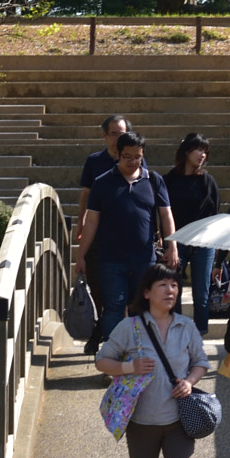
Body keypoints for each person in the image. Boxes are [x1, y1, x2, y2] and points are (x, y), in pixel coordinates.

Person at [96, 263, 209, 458]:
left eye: (174, 285)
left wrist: (189, 381)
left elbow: (201, 362)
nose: (171, 290)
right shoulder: (129, 327)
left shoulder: (186, 326)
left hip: (178, 421)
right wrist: (128, 366)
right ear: (146, 292)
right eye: (163, 285)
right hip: (142, 423)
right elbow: (102, 360)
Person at [77, 132, 177, 344]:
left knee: (142, 308)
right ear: (118, 155)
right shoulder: (102, 183)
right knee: (113, 307)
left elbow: (166, 214)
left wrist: (172, 246)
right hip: (111, 258)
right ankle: (114, 359)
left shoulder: (153, 180)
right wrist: (81, 255)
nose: (132, 161)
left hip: (144, 257)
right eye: (127, 156)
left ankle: (141, 356)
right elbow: (92, 221)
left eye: (137, 157)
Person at [77, 115, 131, 348]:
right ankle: (99, 326)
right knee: (97, 286)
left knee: (123, 292)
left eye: (123, 133)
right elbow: (86, 195)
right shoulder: (94, 161)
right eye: (114, 133)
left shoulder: (134, 159)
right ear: (105, 136)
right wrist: (80, 223)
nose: (119, 137)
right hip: (97, 232)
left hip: (123, 234)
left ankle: (113, 338)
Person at [165, 133, 220, 335]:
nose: (202, 155)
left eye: (205, 151)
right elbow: (162, 212)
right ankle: (177, 331)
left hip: (204, 243)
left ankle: (200, 333)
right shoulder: (169, 180)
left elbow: (214, 215)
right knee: (174, 291)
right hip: (177, 241)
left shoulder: (208, 181)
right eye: (199, 150)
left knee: (201, 293)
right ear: (186, 151)